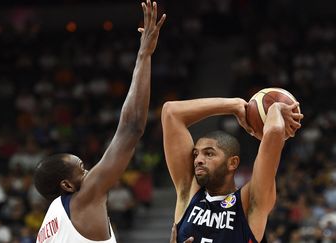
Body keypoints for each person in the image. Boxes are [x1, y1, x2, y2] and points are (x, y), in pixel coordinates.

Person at [33, 1, 166, 242]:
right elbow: (132, 128)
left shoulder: (48, 224)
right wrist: (144, 55)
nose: (90, 172)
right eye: (82, 169)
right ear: (67, 185)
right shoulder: (82, 200)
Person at [161, 98, 303, 243]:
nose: (198, 160)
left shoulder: (249, 202)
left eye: (209, 153)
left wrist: (274, 108)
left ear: (233, 163)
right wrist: (234, 105)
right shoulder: (188, 191)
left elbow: (274, 131)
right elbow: (171, 112)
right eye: (196, 154)